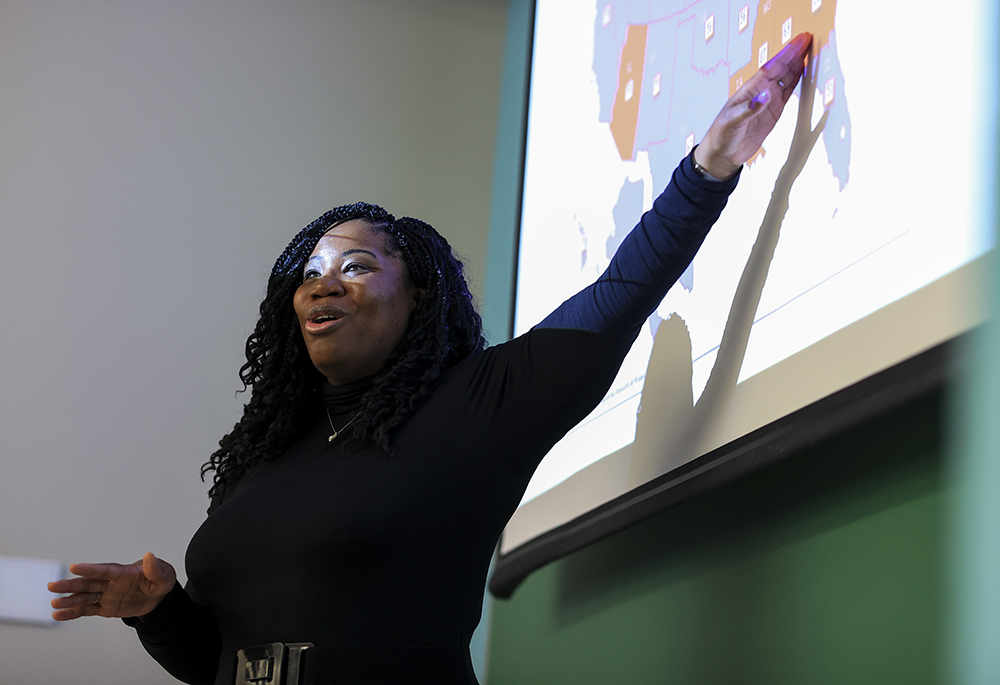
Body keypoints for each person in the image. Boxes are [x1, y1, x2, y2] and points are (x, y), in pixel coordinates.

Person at [48, 33, 815, 685]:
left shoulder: (475, 405)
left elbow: (619, 293)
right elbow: (227, 661)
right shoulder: (268, 450)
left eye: (353, 266)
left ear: (417, 293)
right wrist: (158, 612)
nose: (324, 284)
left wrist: (708, 168)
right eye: (310, 272)